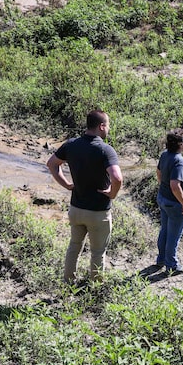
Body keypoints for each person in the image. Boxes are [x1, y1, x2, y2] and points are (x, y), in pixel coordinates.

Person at [46, 109, 123, 284]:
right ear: (102, 126)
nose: (108, 129)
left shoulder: (71, 145)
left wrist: (66, 184)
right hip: (98, 212)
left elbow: (51, 164)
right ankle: (95, 286)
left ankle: (68, 282)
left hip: (76, 208)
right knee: (97, 251)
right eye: (108, 125)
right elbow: (117, 177)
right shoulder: (105, 150)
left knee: (74, 246)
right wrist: (112, 193)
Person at [155, 129, 183, 275]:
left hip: (163, 199)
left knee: (165, 230)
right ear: (180, 144)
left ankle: (161, 259)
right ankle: (171, 265)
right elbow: (175, 185)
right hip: (175, 205)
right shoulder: (178, 161)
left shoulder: (165, 155)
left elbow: (159, 172)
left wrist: (162, 186)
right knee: (174, 235)